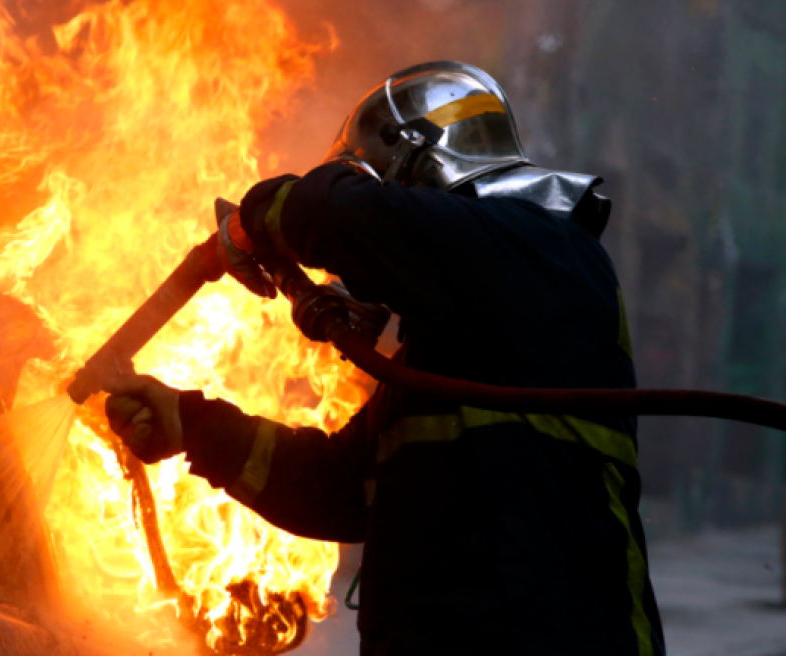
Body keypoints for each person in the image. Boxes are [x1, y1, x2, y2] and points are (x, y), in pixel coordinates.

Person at [104, 61, 665, 656]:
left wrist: (258, 217)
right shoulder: (449, 353)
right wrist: (192, 424)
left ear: (412, 165)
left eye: (371, 183)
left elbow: (333, 214)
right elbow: (337, 491)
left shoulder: (548, 252)